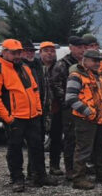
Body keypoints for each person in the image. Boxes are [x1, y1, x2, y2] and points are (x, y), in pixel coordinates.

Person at [0, 39, 59, 192]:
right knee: (15, 149)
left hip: (32, 116)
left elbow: (34, 89)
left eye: (19, 52)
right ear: (4, 52)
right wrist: (7, 117)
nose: (17, 55)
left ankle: (40, 176)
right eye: (13, 52)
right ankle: (17, 179)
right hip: (15, 118)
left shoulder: (24, 67)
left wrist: (38, 110)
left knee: (37, 147)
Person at [65, 49, 102, 190]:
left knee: (101, 148)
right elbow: (70, 98)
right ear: (85, 60)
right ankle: (78, 179)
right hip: (85, 120)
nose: (97, 63)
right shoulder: (76, 76)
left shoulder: (98, 76)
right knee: (83, 150)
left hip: (100, 119)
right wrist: (88, 112)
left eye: (99, 61)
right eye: (94, 60)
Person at [50, 36, 86, 179]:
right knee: (70, 139)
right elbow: (55, 84)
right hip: (69, 108)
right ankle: (70, 169)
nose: (82, 50)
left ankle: (80, 167)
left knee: (82, 139)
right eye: (78, 47)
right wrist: (67, 100)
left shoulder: (85, 63)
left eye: (84, 47)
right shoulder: (62, 64)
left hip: (83, 106)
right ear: (71, 47)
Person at [21, 41, 50, 178]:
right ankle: (19, 176)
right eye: (26, 51)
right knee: (16, 147)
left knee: (37, 144)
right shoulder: (18, 67)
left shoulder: (39, 65)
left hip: (39, 110)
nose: (30, 53)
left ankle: (36, 173)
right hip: (22, 112)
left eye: (32, 51)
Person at [39, 41, 61, 175]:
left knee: (56, 139)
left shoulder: (59, 67)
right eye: (46, 50)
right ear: (40, 53)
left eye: (52, 51)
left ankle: (55, 166)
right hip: (40, 110)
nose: (49, 53)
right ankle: (39, 169)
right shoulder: (35, 68)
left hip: (56, 108)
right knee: (38, 140)